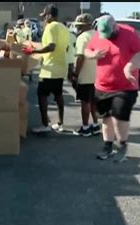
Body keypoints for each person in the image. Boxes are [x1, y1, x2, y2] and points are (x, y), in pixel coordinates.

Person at [85, 14, 140, 162]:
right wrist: (93, 54)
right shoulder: (99, 35)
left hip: (125, 86)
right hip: (102, 86)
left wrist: (130, 67)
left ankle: (122, 145)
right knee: (106, 117)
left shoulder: (130, 33)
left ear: (115, 27)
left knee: (119, 115)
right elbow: (87, 51)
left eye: (109, 33)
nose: (106, 37)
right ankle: (107, 146)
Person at [22, 4, 70, 133]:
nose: (44, 19)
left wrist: (33, 50)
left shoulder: (51, 27)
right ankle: (60, 122)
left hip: (50, 69)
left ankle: (45, 125)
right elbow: (63, 47)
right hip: (61, 67)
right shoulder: (64, 28)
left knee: (42, 95)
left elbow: (51, 46)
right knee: (58, 94)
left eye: (44, 16)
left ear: (49, 15)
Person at [71, 13, 100, 137]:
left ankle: (85, 127)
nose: (78, 27)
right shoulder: (100, 36)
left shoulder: (82, 37)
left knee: (85, 102)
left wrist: (75, 75)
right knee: (94, 101)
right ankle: (95, 125)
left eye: (79, 25)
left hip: (86, 76)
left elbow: (80, 58)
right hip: (98, 76)